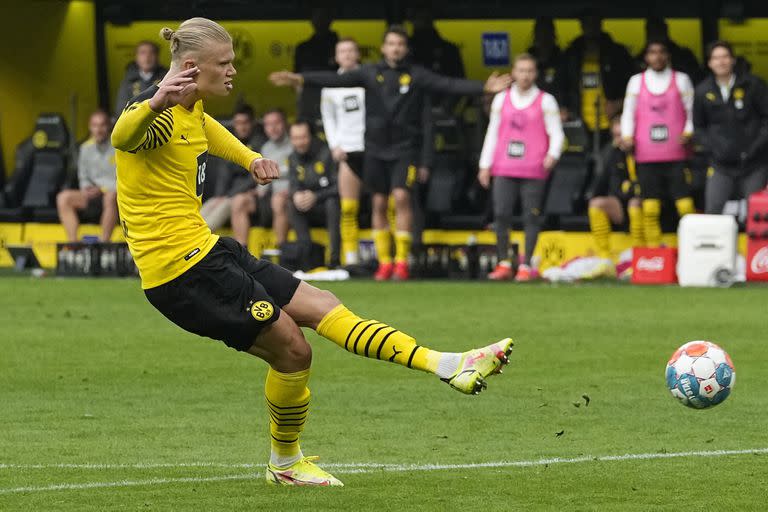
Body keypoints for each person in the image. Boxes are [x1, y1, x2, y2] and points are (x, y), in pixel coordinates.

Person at [111, 17, 514, 488]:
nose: (233, 71)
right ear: (192, 67)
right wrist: (155, 99)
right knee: (293, 352)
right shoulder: (155, 113)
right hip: (182, 274)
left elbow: (207, 131)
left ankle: (449, 365)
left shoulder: (191, 109)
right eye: (225, 63)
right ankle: (285, 464)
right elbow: (124, 135)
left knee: (322, 303)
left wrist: (249, 158)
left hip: (210, 251)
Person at [270, 25, 511, 281]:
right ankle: (385, 263)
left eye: (400, 44)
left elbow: (448, 84)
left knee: (401, 197)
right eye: (391, 44)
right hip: (374, 150)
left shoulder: (416, 75)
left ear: (405, 49)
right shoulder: (370, 73)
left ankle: (401, 261)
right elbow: (336, 80)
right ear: (384, 48)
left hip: (404, 150)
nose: (396, 48)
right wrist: (301, 79)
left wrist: (483, 88)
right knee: (379, 202)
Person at [478, 54, 564, 281]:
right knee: (501, 214)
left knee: (531, 217)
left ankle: (526, 265)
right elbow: (493, 133)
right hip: (504, 165)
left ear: (535, 74)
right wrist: (484, 165)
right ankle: (504, 262)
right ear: (513, 73)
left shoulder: (546, 100)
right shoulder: (501, 99)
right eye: (521, 70)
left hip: (533, 167)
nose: (525, 75)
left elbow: (556, 132)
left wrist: (552, 155)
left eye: (529, 71)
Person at [620, 39, 695, 247]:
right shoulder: (636, 81)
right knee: (650, 207)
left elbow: (691, 111)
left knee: (685, 205)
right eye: (652, 52)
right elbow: (628, 113)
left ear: (668, 55)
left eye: (661, 51)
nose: (657, 56)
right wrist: (627, 137)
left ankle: (689, 247)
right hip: (646, 153)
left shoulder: (681, 79)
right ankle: (654, 251)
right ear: (646, 57)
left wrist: (689, 132)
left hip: (676, 152)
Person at [693, 40, 768, 215]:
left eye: (725, 56)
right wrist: (713, 149)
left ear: (733, 60)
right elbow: (698, 127)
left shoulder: (753, 85)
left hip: (754, 163)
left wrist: (756, 147)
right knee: (713, 211)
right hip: (720, 165)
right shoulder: (703, 91)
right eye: (716, 58)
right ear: (709, 63)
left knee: (757, 213)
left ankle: (760, 245)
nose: (721, 62)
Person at [320, 38, 365, 266]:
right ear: (337, 57)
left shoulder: (368, 80)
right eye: (342, 51)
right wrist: (335, 145)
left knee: (383, 204)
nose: (347, 54)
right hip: (347, 151)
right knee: (348, 207)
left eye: (350, 50)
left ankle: (392, 259)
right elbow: (329, 118)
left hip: (372, 149)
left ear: (357, 54)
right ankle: (351, 258)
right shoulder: (330, 85)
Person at [560, 11, 633, 147]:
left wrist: (618, 103)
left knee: (609, 164)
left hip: (611, 122)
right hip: (579, 121)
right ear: (581, 26)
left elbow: (633, 84)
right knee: (581, 165)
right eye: (587, 23)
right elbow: (562, 85)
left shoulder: (617, 52)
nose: (591, 27)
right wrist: (564, 107)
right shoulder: (571, 54)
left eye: (594, 23)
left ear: (601, 24)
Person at [587, 112, 644, 277]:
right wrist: (611, 152)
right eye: (616, 136)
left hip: (647, 204)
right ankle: (605, 259)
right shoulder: (613, 153)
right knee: (596, 204)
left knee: (635, 203)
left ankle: (639, 258)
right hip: (623, 204)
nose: (619, 140)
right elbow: (610, 185)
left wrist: (631, 188)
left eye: (622, 135)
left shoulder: (643, 150)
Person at [230, 109, 293, 251]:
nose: (273, 128)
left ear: (285, 124)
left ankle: (283, 252)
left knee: (278, 200)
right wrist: (256, 191)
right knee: (239, 201)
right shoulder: (266, 147)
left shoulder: (293, 144)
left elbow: (297, 174)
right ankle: (242, 252)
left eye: (277, 123)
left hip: (286, 196)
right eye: (268, 124)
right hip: (265, 196)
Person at [200, 104, 264, 231]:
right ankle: (188, 235)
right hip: (228, 194)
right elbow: (224, 173)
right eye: (238, 123)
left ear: (252, 123)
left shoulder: (259, 143)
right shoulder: (232, 142)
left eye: (245, 122)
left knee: (219, 212)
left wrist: (228, 195)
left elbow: (254, 178)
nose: (242, 127)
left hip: (245, 195)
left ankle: (200, 237)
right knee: (207, 208)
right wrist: (219, 195)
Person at [56, 110, 117, 242]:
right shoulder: (85, 148)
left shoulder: (118, 145)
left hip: (114, 195)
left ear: (109, 127)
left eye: (102, 125)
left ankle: (104, 244)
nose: (98, 130)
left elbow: (124, 178)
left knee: (111, 196)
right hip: (93, 195)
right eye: (95, 125)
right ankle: (73, 243)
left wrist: (103, 189)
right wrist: (86, 188)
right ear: (90, 128)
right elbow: (83, 176)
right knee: (63, 198)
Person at [288, 120, 340, 268]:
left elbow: (339, 187)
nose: (300, 142)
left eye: (303, 137)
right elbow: (292, 185)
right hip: (309, 207)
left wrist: (316, 196)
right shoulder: (293, 158)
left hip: (327, 205)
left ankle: (334, 260)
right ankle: (306, 257)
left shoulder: (326, 153)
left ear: (311, 136)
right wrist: (296, 195)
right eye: (295, 138)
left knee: (332, 203)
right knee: (291, 204)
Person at [293, 7, 339, 127]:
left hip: (334, 97)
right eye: (318, 18)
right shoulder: (303, 48)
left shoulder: (339, 46)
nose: (321, 21)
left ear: (330, 20)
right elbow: (296, 77)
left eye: (324, 17)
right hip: (309, 99)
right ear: (312, 21)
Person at [635, 17, 703, 84]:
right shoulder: (640, 59)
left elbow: (697, 79)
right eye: (652, 31)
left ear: (665, 31)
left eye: (658, 31)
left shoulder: (684, 55)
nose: (656, 35)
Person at [114, 41, 168, 115]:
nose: (147, 57)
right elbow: (121, 108)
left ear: (157, 56)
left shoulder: (166, 78)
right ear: (136, 57)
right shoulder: (128, 80)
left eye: (151, 53)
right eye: (143, 53)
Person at [527, 17, 564, 99]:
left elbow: (568, 87)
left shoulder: (562, 59)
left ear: (553, 35)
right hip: (532, 105)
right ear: (535, 36)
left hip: (557, 105)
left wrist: (564, 106)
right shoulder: (528, 60)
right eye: (541, 33)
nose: (544, 37)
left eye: (547, 33)